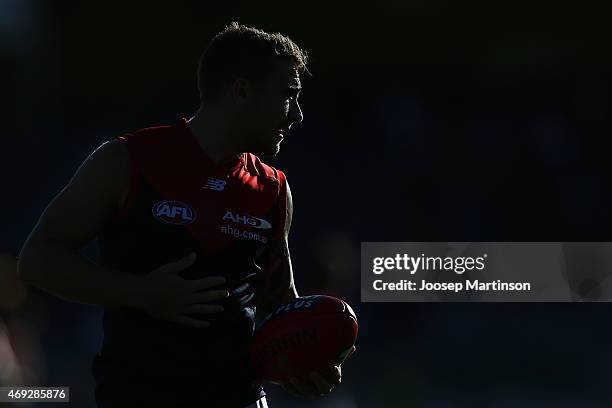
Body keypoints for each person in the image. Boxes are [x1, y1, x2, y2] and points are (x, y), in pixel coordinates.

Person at [18, 22, 348, 407]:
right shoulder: (128, 160)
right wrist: (140, 292)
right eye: (289, 96)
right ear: (241, 90)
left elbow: (279, 304)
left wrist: (307, 358)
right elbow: (37, 260)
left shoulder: (273, 189)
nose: (298, 116)